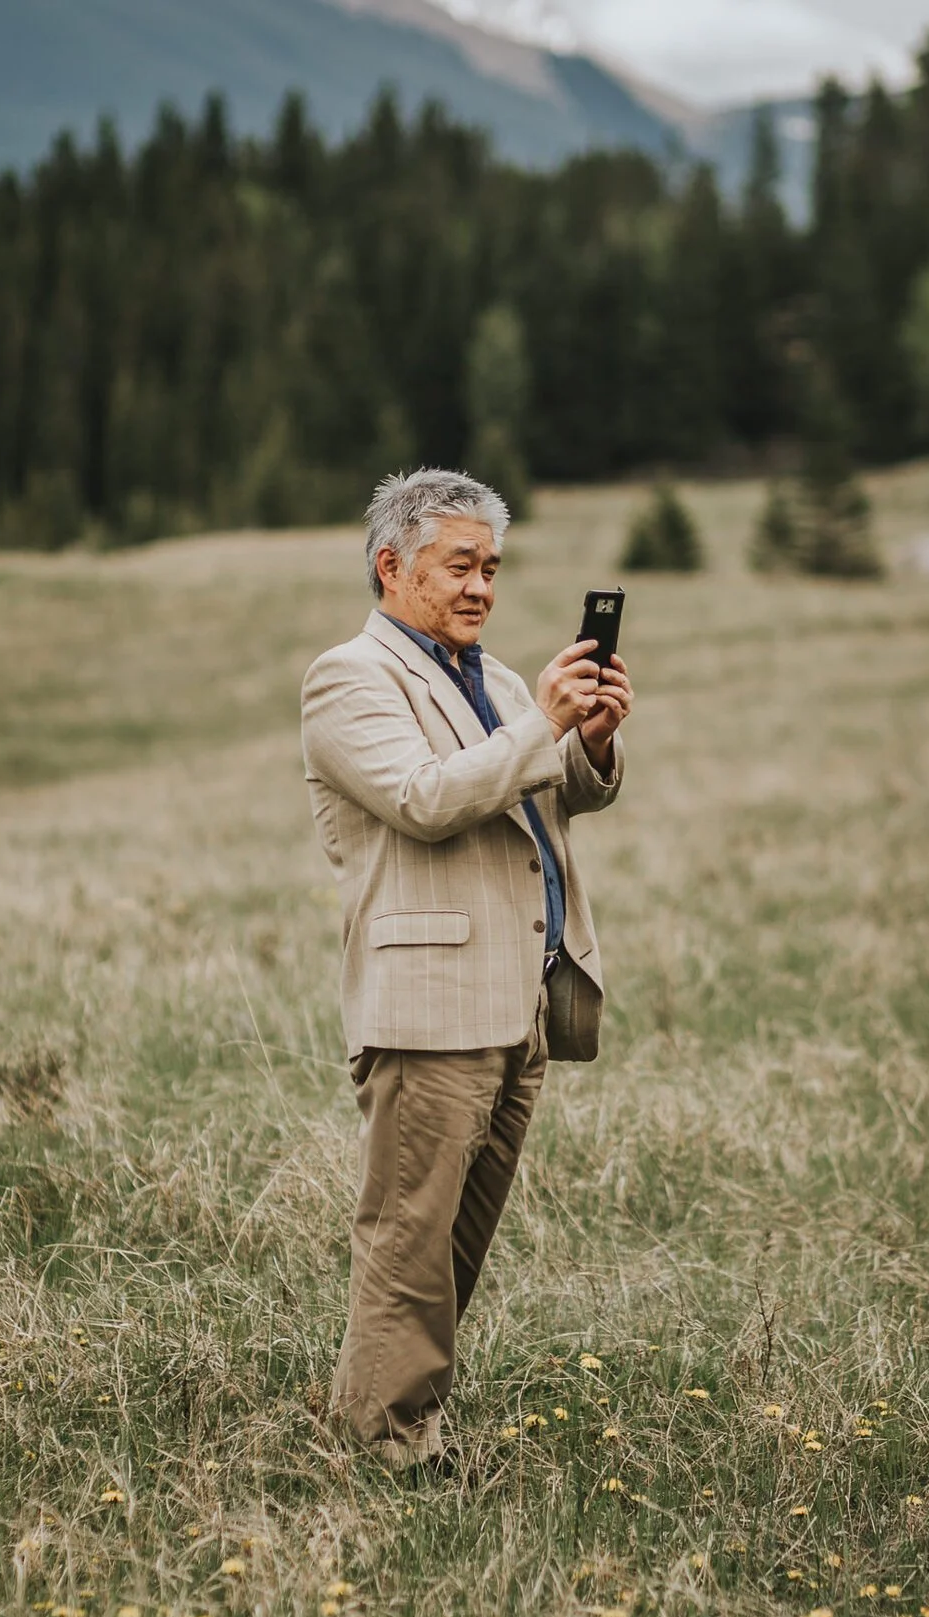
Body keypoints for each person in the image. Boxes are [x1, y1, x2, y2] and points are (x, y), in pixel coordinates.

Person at [300, 467, 631, 1469]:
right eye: (460, 565)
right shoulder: (348, 675)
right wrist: (542, 724)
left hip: (514, 997)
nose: (482, 586)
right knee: (409, 1239)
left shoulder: (487, 675)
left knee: (454, 1246)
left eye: (491, 566)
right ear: (391, 565)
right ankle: (379, 1443)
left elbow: (543, 798)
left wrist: (592, 742)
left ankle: (404, 1420)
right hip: (428, 1005)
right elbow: (425, 796)